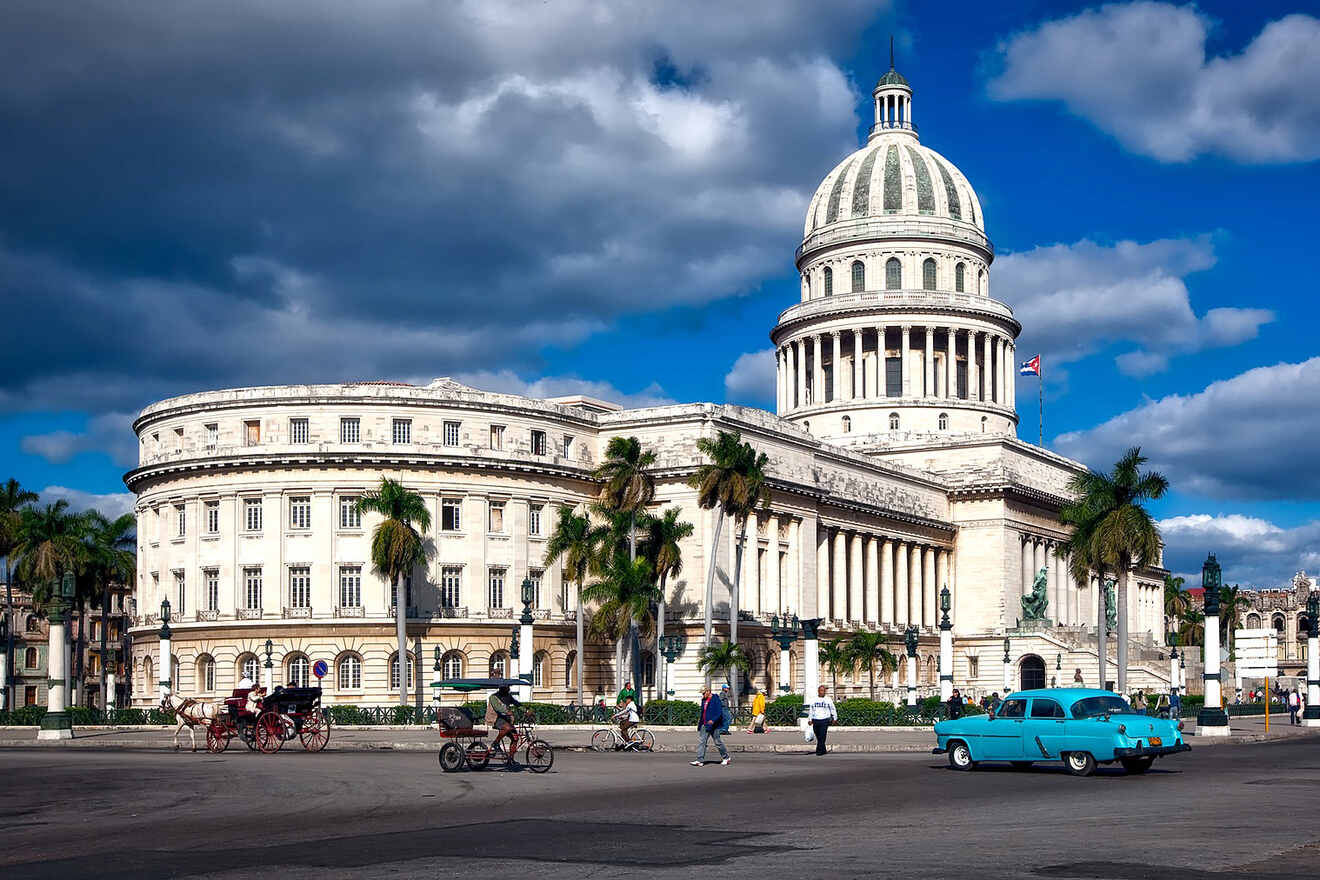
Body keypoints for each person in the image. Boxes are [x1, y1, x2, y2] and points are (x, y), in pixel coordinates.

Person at [691, 685, 730, 766]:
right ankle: (700, 760)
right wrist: (700, 723)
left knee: (717, 742)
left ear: (708, 691)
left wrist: (713, 720)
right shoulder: (703, 700)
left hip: (714, 725)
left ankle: (726, 757)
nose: (703, 695)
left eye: (704, 693)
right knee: (702, 742)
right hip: (705, 724)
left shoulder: (716, 699)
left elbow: (719, 712)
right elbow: (703, 712)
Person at [486, 685, 522, 765]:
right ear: (501, 688)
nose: (508, 689)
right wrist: (507, 712)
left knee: (515, 738)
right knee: (507, 728)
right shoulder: (493, 697)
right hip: (495, 718)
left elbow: (516, 703)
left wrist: (526, 710)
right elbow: (498, 708)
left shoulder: (508, 696)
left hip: (505, 719)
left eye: (508, 687)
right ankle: (495, 743)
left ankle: (510, 759)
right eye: (507, 688)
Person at [807, 685, 838, 755]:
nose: (822, 692)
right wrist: (810, 719)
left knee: (822, 736)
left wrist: (835, 718)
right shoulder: (814, 699)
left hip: (824, 720)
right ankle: (823, 749)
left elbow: (833, 709)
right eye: (821, 690)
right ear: (818, 691)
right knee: (818, 735)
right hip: (815, 720)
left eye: (823, 691)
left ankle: (819, 751)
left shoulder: (828, 699)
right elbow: (811, 710)